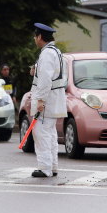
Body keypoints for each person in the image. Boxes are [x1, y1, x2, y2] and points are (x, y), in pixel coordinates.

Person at [30, 22, 67, 178]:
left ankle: (44, 167)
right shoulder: (57, 52)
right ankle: (52, 166)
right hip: (55, 99)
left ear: (40, 37)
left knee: (41, 133)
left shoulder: (46, 54)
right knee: (50, 134)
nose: (34, 39)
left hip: (46, 101)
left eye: (35, 36)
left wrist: (40, 100)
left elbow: (45, 80)